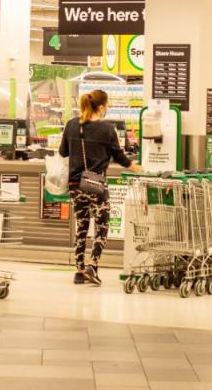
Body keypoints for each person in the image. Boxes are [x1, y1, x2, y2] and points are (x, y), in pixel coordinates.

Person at [59, 89, 143, 286]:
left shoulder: (71, 125)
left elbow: (63, 152)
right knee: (102, 225)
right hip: (95, 184)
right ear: (102, 107)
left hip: (74, 184)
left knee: (81, 225)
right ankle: (93, 265)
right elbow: (121, 158)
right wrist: (138, 168)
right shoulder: (107, 129)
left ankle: (79, 271)